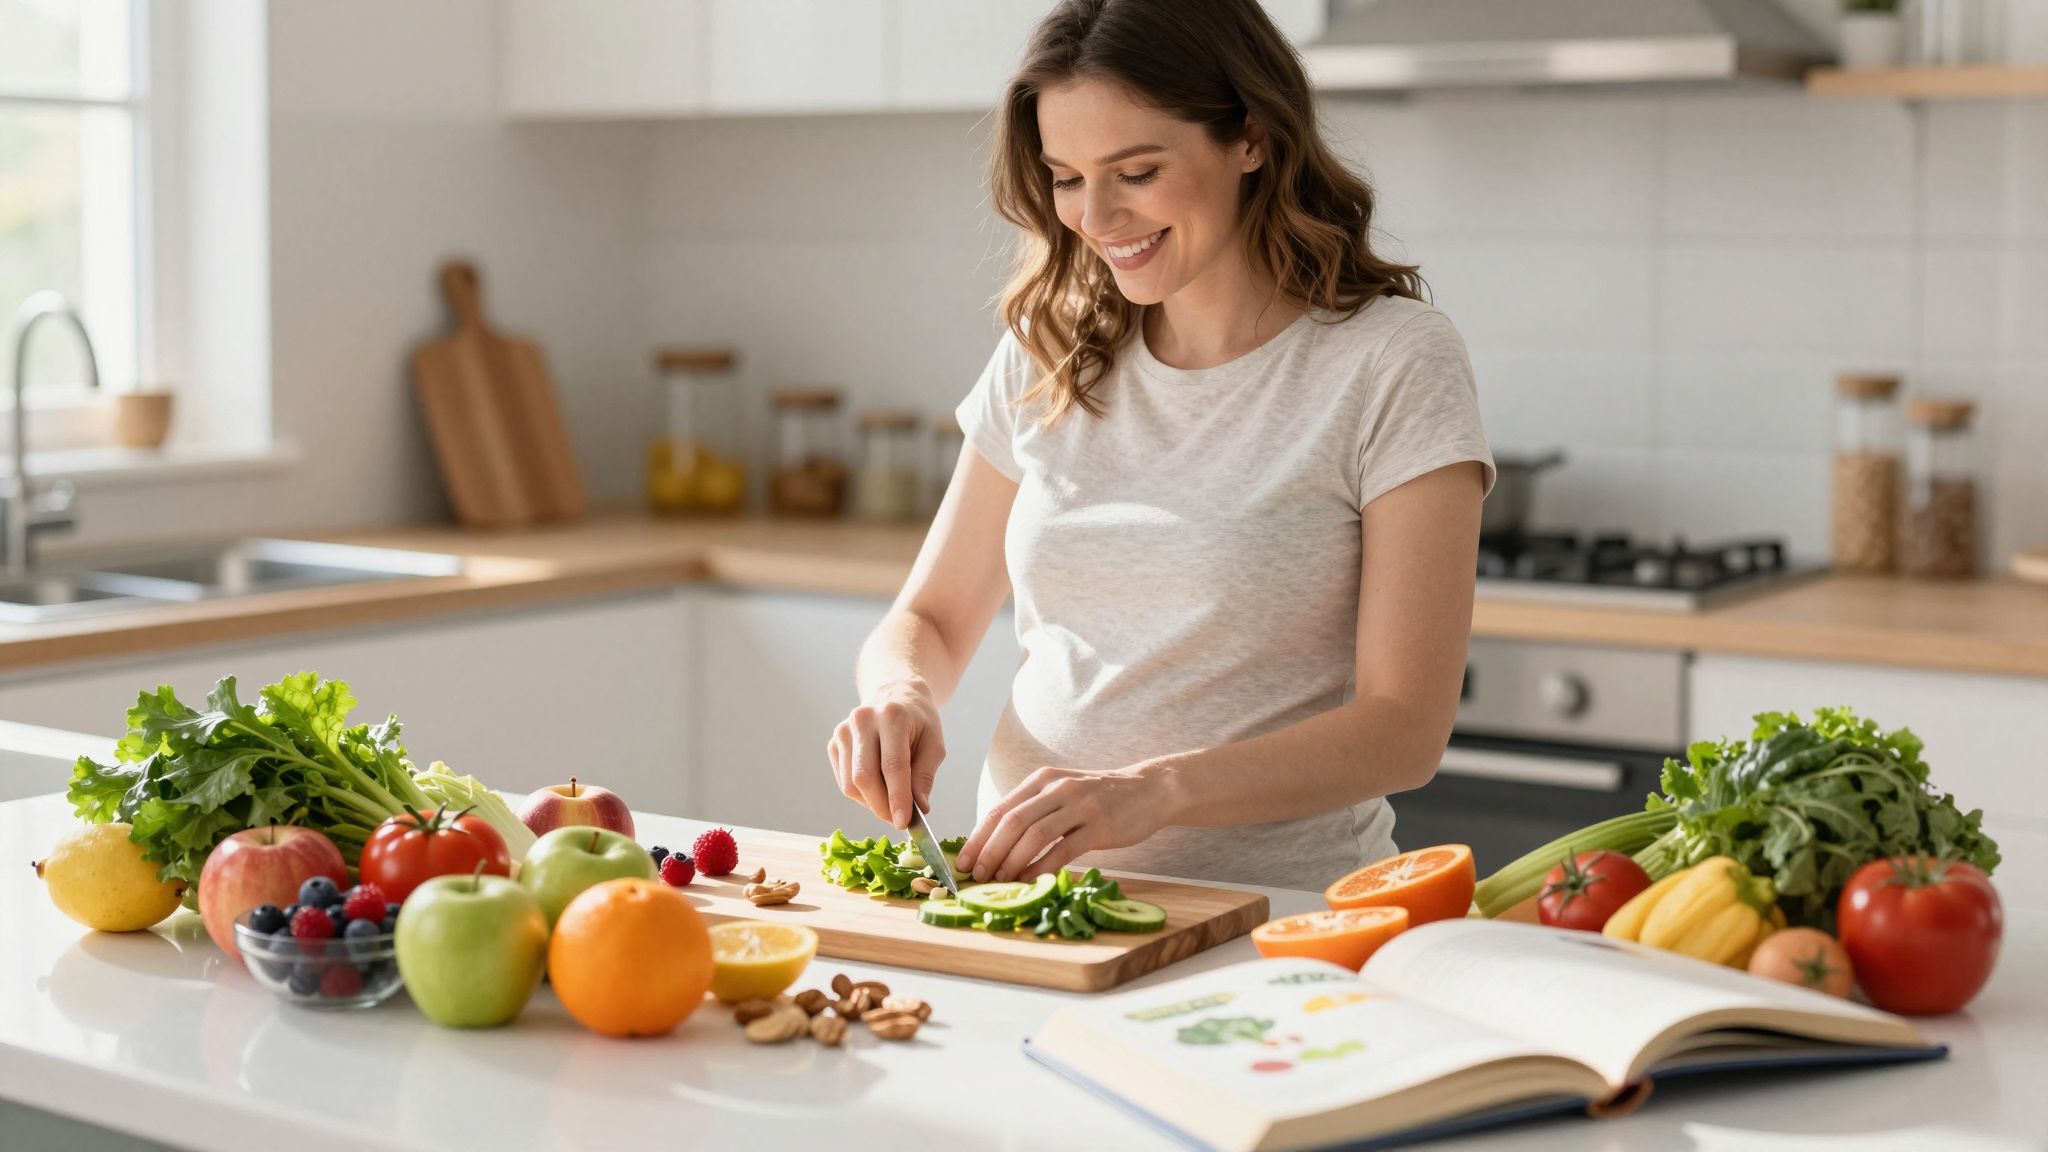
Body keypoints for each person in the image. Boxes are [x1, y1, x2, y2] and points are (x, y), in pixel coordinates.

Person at [825, 0, 1494, 891]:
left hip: (1276, 918)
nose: (1095, 217)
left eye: (1135, 171)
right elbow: (932, 620)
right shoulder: (1050, 346)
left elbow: (1405, 727)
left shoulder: (1389, 360)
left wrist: (1152, 792)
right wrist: (900, 694)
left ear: (1250, 137)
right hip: (1027, 900)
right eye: (1065, 177)